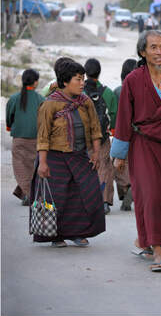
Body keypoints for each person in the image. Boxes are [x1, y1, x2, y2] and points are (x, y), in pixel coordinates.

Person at [111, 30, 161, 272]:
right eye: (154, 47)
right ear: (142, 52)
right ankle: (157, 249)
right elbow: (124, 117)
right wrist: (119, 154)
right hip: (143, 145)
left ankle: (144, 240)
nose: (160, 52)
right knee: (149, 195)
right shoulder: (133, 80)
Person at [34, 60, 106, 248]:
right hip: (54, 158)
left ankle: (78, 233)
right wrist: (42, 163)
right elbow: (42, 136)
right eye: (78, 79)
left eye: (83, 79)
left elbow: (95, 129)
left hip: (80, 156)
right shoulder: (49, 105)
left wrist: (96, 153)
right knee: (58, 197)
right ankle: (56, 235)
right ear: (66, 81)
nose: (82, 83)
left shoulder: (86, 102)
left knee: (86, 193)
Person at [84, 58, 119, 215]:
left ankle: (85, 201)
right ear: (99, 72)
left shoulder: (78, 91)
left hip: (82, 139)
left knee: (84, 168)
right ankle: (104, 202)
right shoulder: (108, 93)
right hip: (102, 138)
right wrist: (112, 130)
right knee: (104, 168)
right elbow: (113, 116)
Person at [6, 69, 45, 205]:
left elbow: (9, 118)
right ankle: (27, 193)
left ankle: (28, 194)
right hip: (36, 139)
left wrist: (10, 127)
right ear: (35, 82)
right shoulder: (41, 99)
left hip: (19, 139)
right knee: (32, 167)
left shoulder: (14, 98)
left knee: (20, 167)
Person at [112, 58, 138, 211]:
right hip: (138, 134)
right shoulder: (141, 89)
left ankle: (124, 190)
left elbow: (115, 115)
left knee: (120, 165)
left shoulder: (117, 91)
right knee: (136, 166)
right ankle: (133, 189)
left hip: (121, 134)